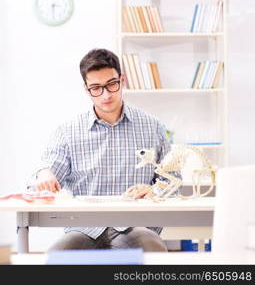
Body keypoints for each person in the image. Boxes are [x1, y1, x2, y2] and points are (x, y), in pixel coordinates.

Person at [32, 48, 179, 252]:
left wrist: (153, 190)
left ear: (122, 79)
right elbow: (45, 175)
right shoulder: (68, 131)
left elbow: (173, 181)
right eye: (96, 88)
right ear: (86, 89)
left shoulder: (152, 127)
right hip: (84, 228)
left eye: (112, 84)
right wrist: (44, 174)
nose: (106, 94)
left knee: (152, 247)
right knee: (58, 254)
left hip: (135, 226)